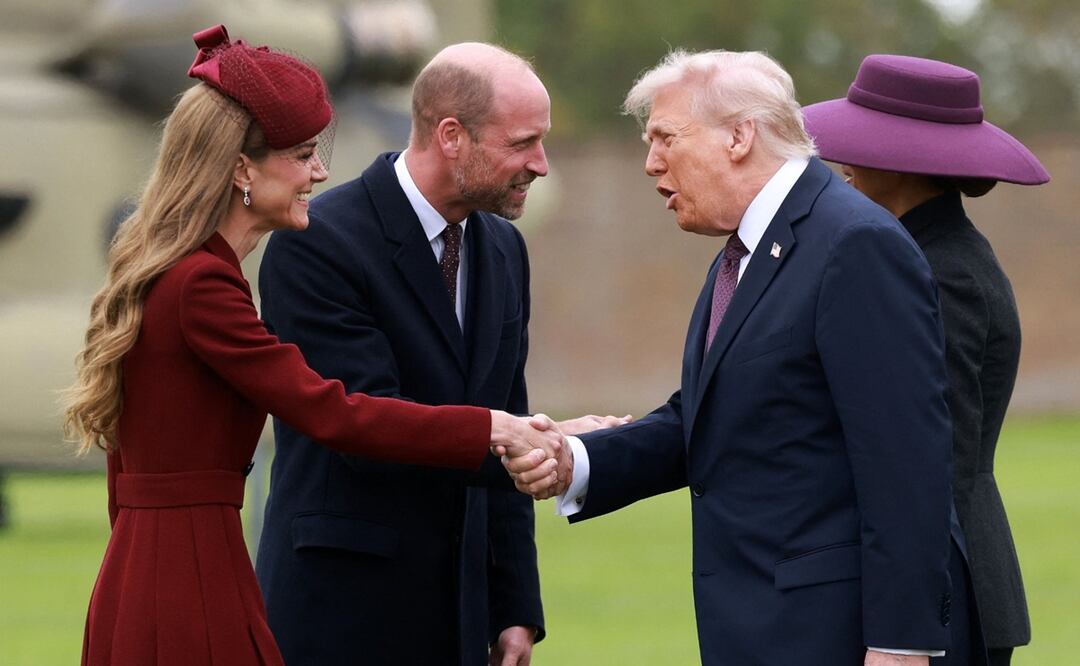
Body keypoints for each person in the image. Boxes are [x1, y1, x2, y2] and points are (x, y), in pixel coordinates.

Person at [63, 25, 561, 666]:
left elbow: (122, 466)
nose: (318, 172)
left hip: (162, 567)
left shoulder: (184, 274)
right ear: (243, 167)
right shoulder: (204, 284)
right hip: (199, 578)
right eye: (301, 155)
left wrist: (511, 601)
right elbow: (335, 411)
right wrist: (502, 430)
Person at [507, 49, 975, 665]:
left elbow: (906, 465)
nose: (651, 164)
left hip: (840, 637)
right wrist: (580, 461)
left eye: (665, 138)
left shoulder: (854, 245)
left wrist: (901, 645)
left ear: (738, 136)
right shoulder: (750, 248)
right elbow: (711, 417)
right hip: (769, 632)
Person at [254, 41, 627, 666]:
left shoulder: (505, 250)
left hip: (461, 621)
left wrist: (514, 609)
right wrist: (540, 441)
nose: (540, 164)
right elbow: (366, 426)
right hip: (342, 618)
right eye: (522, 143)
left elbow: (510, 406)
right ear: (451, 135)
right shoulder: (319, 244)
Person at [802, 54, 1049, 666]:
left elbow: (923, 451)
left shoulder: (941, 270)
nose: (843, 163)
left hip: (947, 584)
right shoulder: (919, 251)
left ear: (907, 159)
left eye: (862, 145)